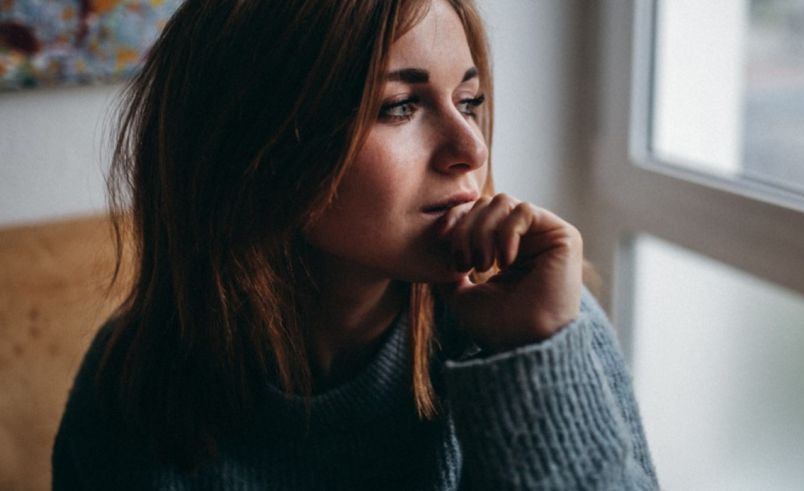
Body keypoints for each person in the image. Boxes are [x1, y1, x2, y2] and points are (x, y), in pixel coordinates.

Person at [53, 0, 658, 489]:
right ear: (255, 149)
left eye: (468, 102)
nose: (470, 148)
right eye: (400, 107)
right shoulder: (131, 386)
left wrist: (535, 362)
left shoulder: (538, 321)